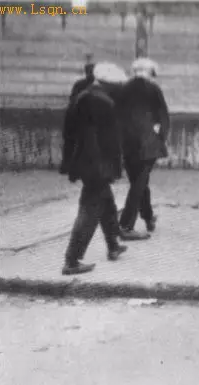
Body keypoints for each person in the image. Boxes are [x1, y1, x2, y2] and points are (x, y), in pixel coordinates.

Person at [59, 62, 129, 275]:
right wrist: (115, 168)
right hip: (98, 164)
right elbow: (111, 141)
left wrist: (68, 163)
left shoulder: (82, 96)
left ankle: (113, 245)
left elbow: (68, 132)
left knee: (106, 202)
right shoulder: (103, 102)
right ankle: (72, 260)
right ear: (109, 85)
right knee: (89, 210)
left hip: (86, 162)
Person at [117, 58, 170, 240]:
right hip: (148, 144)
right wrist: (160, 137)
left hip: (128, 143)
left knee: (139, 182)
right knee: (139, 184)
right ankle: (125, 225)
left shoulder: (123, 89)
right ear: (150, 72)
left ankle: (148, 217)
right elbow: (163, 115)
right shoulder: (153, 89)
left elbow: (117, 114)